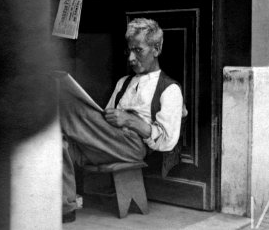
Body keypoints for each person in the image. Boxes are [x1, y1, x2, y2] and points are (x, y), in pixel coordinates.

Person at [60, 18, 185, 223]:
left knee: (64, 103)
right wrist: (105, 117)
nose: (132, 58)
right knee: (58, 141)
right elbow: (104, 120)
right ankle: (66, 208)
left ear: (156, 48)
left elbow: (167, 141)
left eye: (139, 50)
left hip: (134, 145)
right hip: (108, 140)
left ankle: (64, 109)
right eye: (130, 51)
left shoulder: (170, 89)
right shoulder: (124, 82)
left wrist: (130, 121)